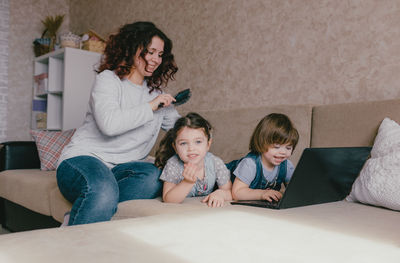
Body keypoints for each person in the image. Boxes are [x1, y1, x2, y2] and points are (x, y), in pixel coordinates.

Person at [56, 21, 181, 226]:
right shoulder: (108, 80)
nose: (156, 59)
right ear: (133, 48)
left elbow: (180, 130)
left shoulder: (156, 95)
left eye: (160, 54)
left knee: (153, 177)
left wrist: (200, 142)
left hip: (122, 170)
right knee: (102, 188)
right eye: (150, 52)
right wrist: (151, 106)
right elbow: (110, 125)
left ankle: (81, 213)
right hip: (83, 160)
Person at [155, 112, 232, 207]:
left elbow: (229, 192)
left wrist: (221, 194)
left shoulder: (215, 163)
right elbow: (168, 199)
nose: (191, 148)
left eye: (198, 142)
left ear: (208, 144)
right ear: (175, 147)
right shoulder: (173, 164)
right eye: (183, 143)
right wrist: (187, 182)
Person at [229, 113, 299, 202]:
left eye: (288, 148)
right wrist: (262, 194)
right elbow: (237, 193)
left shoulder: (287, 166)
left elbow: (294, 190)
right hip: (217, 180)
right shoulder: (250, 164)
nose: (283, 152)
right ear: (262, 143)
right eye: (276, 147)